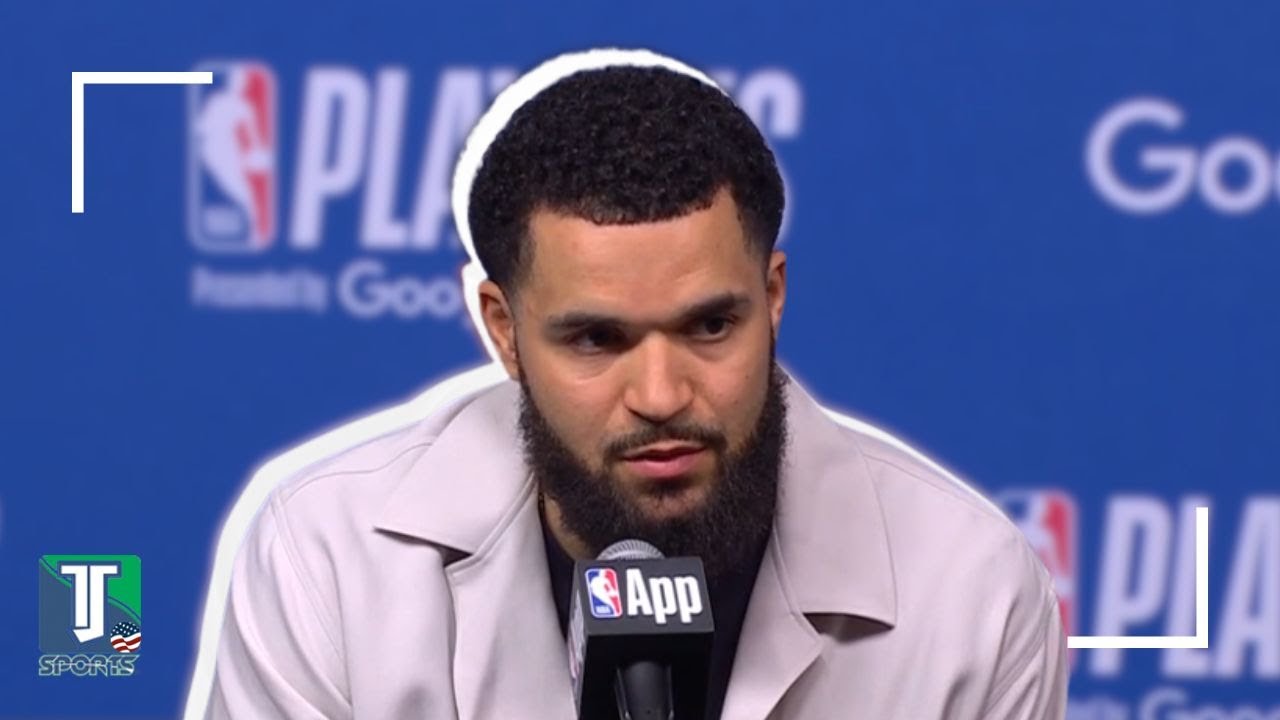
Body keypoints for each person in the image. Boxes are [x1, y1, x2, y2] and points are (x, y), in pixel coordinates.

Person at [190, 48, 1068, 719]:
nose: (660, 394)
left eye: (709, 326)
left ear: (772, 298)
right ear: (503, 330)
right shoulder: (329, 557)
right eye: (596, 339)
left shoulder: (971, 592)